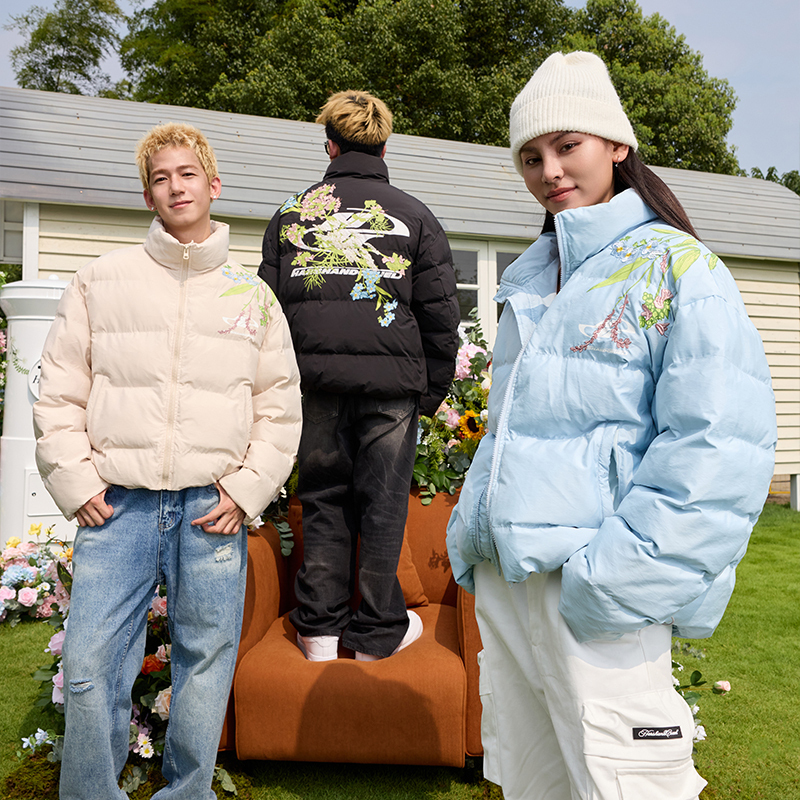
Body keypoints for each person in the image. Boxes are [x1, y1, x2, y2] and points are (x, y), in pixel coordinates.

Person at [446, 52, 776, 800]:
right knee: (532, 781)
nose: (550, 171)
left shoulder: (680, 269)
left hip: (598, 589)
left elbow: (718, 445)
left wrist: (617, 580)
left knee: (629, 784)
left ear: (617, 144)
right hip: (512, 579)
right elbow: (509, 428)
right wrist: (474, 531)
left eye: (568, 145)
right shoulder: (534, 278)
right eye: (531, 156)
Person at [33, 122, 302, 800]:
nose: (176, 186)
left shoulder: (252, 296)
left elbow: (278, 405)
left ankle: (188, 793)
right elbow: (59, 390)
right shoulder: (100, 281)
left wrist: (247, 490)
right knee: (90, 663)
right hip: (116, 506)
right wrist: (76, 480)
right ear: (147, 194)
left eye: (187, 174)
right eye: (161, 178)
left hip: (210, 508)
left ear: (213, 186)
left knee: (206, 661)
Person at [260, 90, 460, 662]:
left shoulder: (291, 214)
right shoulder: (415, 216)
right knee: (384, 506)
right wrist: (429, 393)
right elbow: (440, 316)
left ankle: (320, 632)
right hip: (392, 390)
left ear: (330, 146)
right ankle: (376, 632)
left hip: (315, 386)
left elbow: (266, 314)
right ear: (384, 146)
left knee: (322, 500)